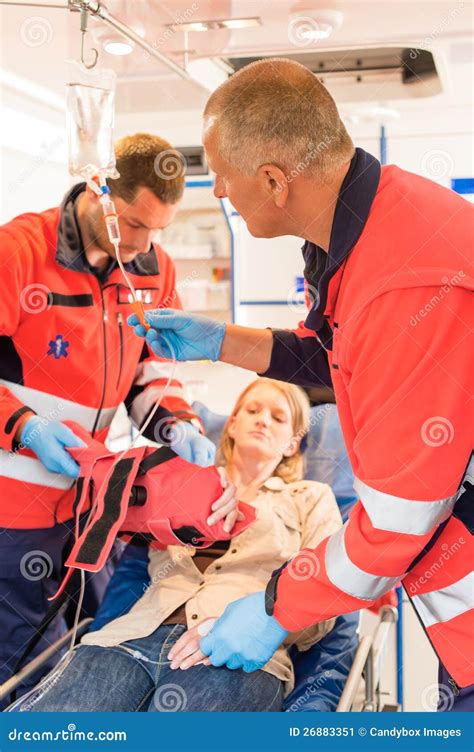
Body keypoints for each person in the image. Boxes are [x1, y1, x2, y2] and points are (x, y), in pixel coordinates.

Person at [129, 59, 474, 710]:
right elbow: (339, 357)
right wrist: (221, 340)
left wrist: (276, 608)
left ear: (273, 181)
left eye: (222, 178)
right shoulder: (369, 227)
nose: (221, 194)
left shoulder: (404, 283)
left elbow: (398, 521)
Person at [0, 132, 237, 703]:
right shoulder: (19, 253)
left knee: (68, 647)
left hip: (86, 501)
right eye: (133, 223)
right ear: (98, 190)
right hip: (13, 505)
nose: (143, 243)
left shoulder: (154, 270)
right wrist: (24, 427)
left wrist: (176, 424)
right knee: (20, 656)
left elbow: (153, 373)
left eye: (159, 229)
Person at [18, 378, 342, 712]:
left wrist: (263, 619)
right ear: (231, 425)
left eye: (278, 417)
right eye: (252, 410)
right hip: (127, 638)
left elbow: (325, 595)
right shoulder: (181, 478)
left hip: (233, 655)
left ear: (292, 443)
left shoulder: (310, 498)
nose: (262, 420)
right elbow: (119, 517)